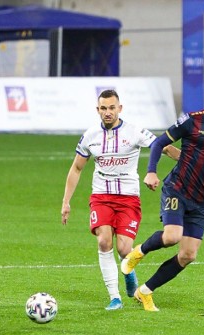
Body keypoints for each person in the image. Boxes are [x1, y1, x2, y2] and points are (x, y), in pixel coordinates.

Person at [120, 79, 204, 311]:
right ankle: (137, 253)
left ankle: (144, 292)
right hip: (177, 188)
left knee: (188, 255)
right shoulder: (191, 120)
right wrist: (151, 172)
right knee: (172, 236)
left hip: (201, 199)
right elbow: (159, 143)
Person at [61, 89, 179, 310]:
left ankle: (129, 273)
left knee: (125, 249)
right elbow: (77, 168)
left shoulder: (134, 132)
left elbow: (161, 146)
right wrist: (66, 202)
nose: (108, 112)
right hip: (101, 197)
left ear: (120, 108)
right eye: (103, 108)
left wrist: (188, 159)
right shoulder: (90, 135)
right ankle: (114, 298)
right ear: (98, 110)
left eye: (112, 108)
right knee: (104, 241)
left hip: (128, 198)